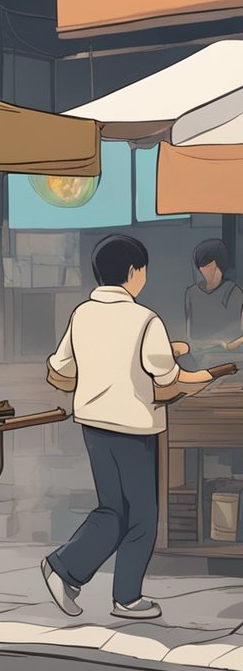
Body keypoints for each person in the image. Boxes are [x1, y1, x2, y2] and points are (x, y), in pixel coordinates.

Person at [43, 234, 220, 620]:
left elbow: (59, 370)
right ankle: (111, 590)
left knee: (113, 509)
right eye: (142, 270)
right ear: (132, 272)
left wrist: (99, 380)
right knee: (140, 515)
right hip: (134, 427)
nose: (144, 276)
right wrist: (202, 376)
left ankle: (70, 571)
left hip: (93, 424)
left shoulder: (82, 314)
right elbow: (166, 377)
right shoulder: (144, 318)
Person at [184, 239, 243, 365]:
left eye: (208, 266)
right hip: (199, 358)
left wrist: (227, 344)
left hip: (230, 359)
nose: (202, 271)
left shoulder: (233, 291)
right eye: (200, 266)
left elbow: (236, 333)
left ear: (219, 266)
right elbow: (190, 336)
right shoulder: (191, 293)